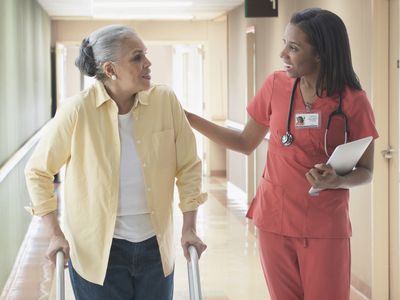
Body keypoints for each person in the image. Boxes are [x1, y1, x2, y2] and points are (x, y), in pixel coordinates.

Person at [185, 8, 378, 300]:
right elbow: (244, 142)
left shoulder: (353, 101)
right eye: (286, 44)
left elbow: (366, 171)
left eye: (294, 47)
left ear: (320, 54)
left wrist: (336, 180)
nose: (283, 54)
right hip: (274, 219)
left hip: (324, 225)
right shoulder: (276, 85)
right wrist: (187, 117)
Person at [25, 24, 207, 300]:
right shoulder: (78, 110)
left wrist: (189, 226)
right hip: (97, 253)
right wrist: (55, 233)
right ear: (110, 69)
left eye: (144, 54)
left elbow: (188, 165)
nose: (148, 63)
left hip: (155, 249)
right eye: (137, 57)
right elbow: (38, 171)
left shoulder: (165, 101)